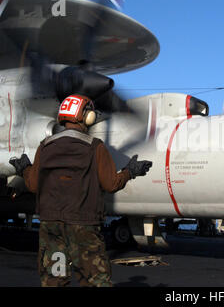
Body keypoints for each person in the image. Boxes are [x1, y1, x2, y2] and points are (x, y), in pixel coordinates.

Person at [9, 94, 152, 287]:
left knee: (54, 280)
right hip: (83, 225)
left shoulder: (45, 147)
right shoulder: (95, 147)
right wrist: (130, 171)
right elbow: (111, 184)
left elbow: (33, 185)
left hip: (51, 225)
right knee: (95, 281)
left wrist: (24, 168)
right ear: (86, 117)